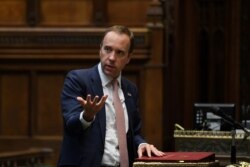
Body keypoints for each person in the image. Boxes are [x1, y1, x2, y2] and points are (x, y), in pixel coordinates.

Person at [58, 25, 165, 167]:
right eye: (107, 49)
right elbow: (71, 125)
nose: (112, 58)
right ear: (100, 49)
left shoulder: (130, 90)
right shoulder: (77, 79)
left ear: (128, 58)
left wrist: (142, 144)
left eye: (120, 52)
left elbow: (133, 133)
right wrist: (87, 116)